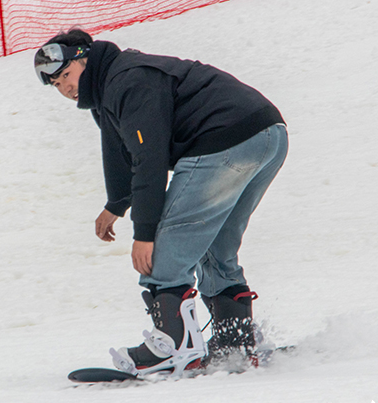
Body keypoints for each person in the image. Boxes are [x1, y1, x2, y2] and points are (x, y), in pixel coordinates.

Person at [34, 28, 288, 376]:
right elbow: (122, 150)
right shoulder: (116, 81)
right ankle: (235, 343)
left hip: (225, 139)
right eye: (57, 85)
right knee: (213, 245)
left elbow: (148, 159)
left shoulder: (126, 81)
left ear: (85, 58)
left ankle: (173, 345)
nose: (65, 87)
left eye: (66, 75)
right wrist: (117, 203)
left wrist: (145, 233)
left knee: (167, 245)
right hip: (267, 135)